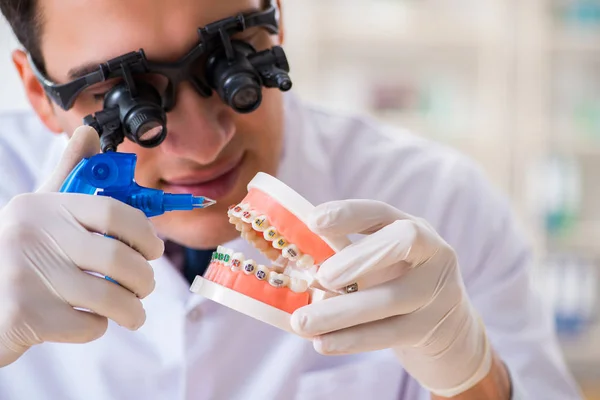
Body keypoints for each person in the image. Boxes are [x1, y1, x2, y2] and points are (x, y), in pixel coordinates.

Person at [0, 0, 584, 399]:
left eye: (229, 61)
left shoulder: (440, 198)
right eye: (125, 98)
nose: (205, 145)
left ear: (278, 23)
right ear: (36, 90)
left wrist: (467, 374)